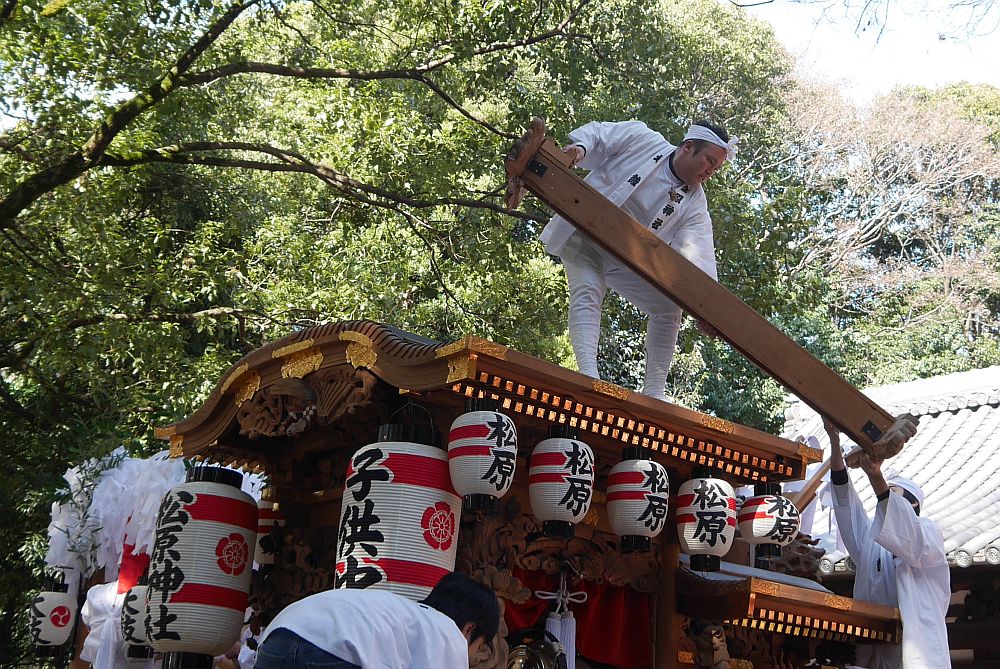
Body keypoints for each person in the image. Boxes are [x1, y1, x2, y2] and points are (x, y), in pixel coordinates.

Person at [539, 119, 738, 399]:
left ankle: (654, 391)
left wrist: (706, 309)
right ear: (688, 147)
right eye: (709, 162)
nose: (710, 172)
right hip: (585, 235)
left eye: (716, 169)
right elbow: (601, 135)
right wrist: (580, 150)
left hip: (628, 260)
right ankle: (588, 374)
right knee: (589, 289)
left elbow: (699, 255)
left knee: (669, 307)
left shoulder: (695, 203)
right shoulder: (643, 138)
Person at [823, 418, 951, 669]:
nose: (883, 494)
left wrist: (876, 476)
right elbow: (845, 504)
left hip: (910, 644)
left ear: (912, 503)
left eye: (893, 491)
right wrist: (834, 442)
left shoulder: (928, 533)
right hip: (872, 642)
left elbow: (907, 534)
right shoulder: (871, 538)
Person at [253, 572, 500, 669]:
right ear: (470, 628)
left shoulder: (403, 612)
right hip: (334, 653)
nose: (473, 657)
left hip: (277, 638)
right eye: (479, 647)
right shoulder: (449, 633)